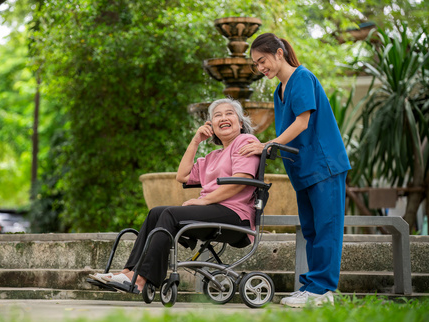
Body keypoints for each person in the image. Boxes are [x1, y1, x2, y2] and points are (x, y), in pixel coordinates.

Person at [89, 98, 260, 292]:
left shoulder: (245, 142)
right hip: (214, 209)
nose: (223, 118)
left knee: (170, 214)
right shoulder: (214, 156)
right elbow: (182, 176)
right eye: (217, 115)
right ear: (211, 126)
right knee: (156, 213)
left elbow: (241, 181)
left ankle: (143, 279)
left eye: (229, 113)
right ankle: (129, 272)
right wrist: (195, 141)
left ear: (240, 122)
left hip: (236, 215)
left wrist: (204, 201)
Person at [239, 33, 351, 307]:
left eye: (262, 60)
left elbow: (302, 123)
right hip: (304, 170)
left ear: (279, 53)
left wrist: (267, 144)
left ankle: (323, 291)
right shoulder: (281, 90)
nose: (260, 67)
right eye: (255, 64)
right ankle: (313, 289)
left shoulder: (301, 77)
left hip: (324, 165)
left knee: (326, 228)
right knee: (311, 230)